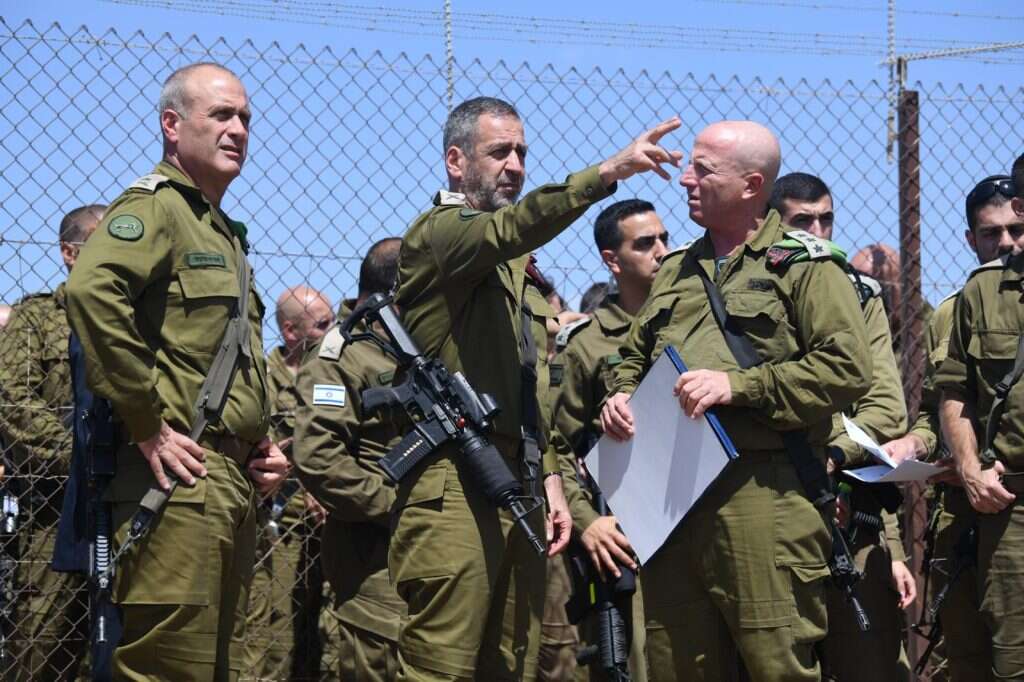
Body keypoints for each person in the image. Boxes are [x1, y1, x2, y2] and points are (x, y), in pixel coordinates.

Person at [390, 95, 682, 680]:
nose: (516, 165)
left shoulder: (507, 265)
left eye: (522, 152)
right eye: (500, 152)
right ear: (456, 161)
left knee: (513, 663)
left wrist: (547, 473)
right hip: (453, 480)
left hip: (514, 480)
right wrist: (608, 173)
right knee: (443, 665)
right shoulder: (442, 234)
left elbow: (527, 387)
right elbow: (515, 225)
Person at [601, 120, 872, 681]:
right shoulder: (676, 270)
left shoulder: (806, 266)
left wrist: (738, 386)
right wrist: (620, 393)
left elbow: (847, 370)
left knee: (776, 664)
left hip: (764, 496)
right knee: (677, 664)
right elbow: (632, 353)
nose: (685, 179)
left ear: (751, 185)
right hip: (672, 499)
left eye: (703, 169)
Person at [63, 62, 288, 678]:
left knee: (223, 666)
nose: (238, 128)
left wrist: (257, 440)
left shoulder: (221, 231)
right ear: (172, 124)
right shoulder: (156, 208)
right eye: (221, 114)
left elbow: (214, 355)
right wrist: (147, 422)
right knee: (170, 669)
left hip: (228, 479)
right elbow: (91, 290)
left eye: (244, 117)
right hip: (178, 482)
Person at [770, 172, 915, 681]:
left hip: (848, 509)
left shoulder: (860, 294)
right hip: (770, 502)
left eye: (825, 219)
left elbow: (885, 409)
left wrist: (832, 450)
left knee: (867, 663)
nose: (817, 232)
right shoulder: (749, 287)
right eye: (801, 222)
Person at [895, 173, 1022, 681]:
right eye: (991, 233)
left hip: (1009, 497)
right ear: (971, 239)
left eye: (1015, 229)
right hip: (964, 510)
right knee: (967, 653)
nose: (1006, 242)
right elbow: (939, 405)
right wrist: (935, 451)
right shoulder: (955, 309)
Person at [544, 198, 669, 681]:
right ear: (611, 260)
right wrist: (586, 521)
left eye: (663, 238)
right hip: (627, 538)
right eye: (644, 244)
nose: (661, 251)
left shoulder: (692, 327)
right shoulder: (589, 346)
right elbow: (554, 444)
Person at [294, 236, 408, 681]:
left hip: (426, 551)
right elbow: (320, 459)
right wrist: (398, 508)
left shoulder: (415, 347)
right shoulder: (340, 354)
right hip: (373, 558)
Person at [0, 204, 103, 680]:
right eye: (101, 246)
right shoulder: (38, 319)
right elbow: (13, 403)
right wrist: (81, 458)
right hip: (54, 508)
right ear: (69, 253)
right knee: (43, 641)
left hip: (123, 504)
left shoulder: (135, 325)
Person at [244, 285, 334, 679]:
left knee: (326, 629)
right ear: (291, 330)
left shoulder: (334, 374)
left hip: (330, 522)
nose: (332, 334)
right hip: (279, 526)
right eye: (322, 326)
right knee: (278, 627)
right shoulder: (261, 379)